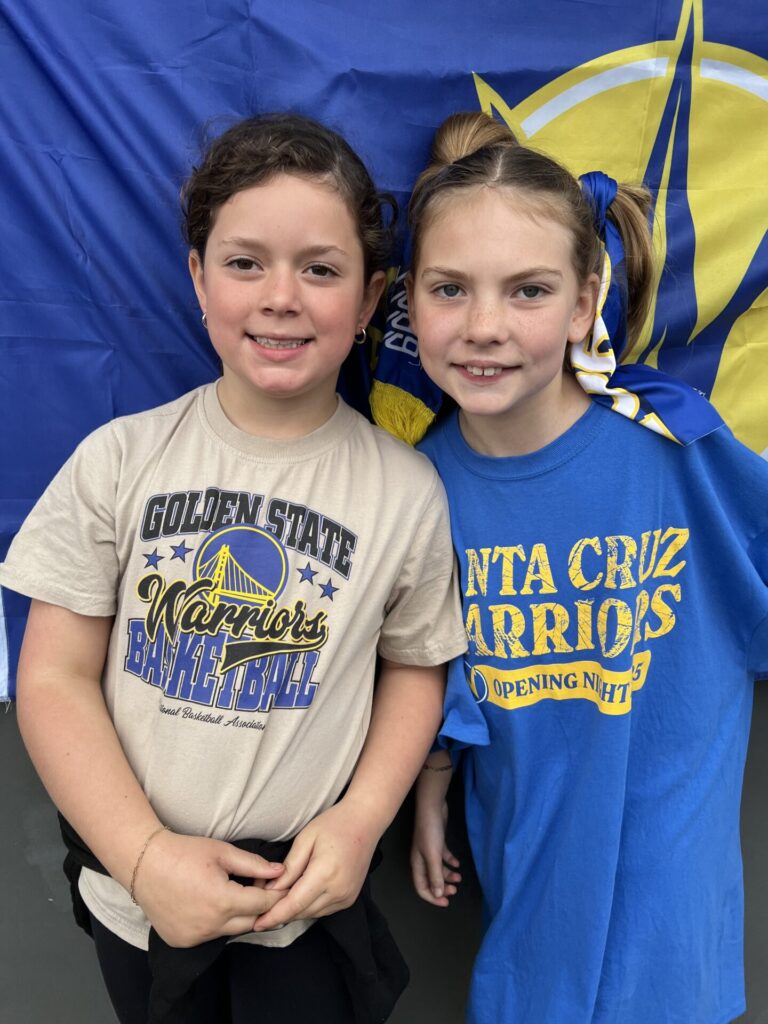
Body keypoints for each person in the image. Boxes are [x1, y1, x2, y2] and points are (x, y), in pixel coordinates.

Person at [0, 113, 466, 1024]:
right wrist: (142, 857)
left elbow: (416, 666)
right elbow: (53, 677)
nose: (280, 297)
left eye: (320, 270)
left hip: (307, 911)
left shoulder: (406, 492)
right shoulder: (120, 460)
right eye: (245, 262)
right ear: (197, 278)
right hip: (138, 902)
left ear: (371, 299)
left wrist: (362, 819)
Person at [404, 111, 768, 1023]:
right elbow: (439, 673)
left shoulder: (676, 446)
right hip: (532, 907)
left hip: (672, 928)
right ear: (408, 299)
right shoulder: (416, 488)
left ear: (584, 300)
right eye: (450, 289)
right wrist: (431, 790)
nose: (484, 327)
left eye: (528, 290)